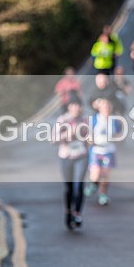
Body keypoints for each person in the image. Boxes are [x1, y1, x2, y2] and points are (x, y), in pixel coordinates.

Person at [53, 97, 89, 229]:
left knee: (78, 185)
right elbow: (53, 139)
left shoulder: (84, 120)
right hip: (66, 156)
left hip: (81, 155)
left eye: (78, 106)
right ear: (69, 107)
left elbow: (89, 137)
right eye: (73, 105)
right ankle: (68, 212)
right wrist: (69, 133)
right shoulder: (62, 120)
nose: (76, 108)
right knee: (68, 187)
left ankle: (78, 213)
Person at [88, 98, 122, 206]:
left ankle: (103, 195)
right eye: (104, 107)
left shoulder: (114, 120)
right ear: (99, 109)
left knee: (105, 174)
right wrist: (90, 139)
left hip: (108, 150)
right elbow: (88, 133)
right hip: (97, 150)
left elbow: (119, 133)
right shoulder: (94, 119)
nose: (106, 109)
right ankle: (93, 184)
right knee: (96, 173)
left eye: (108, 107)